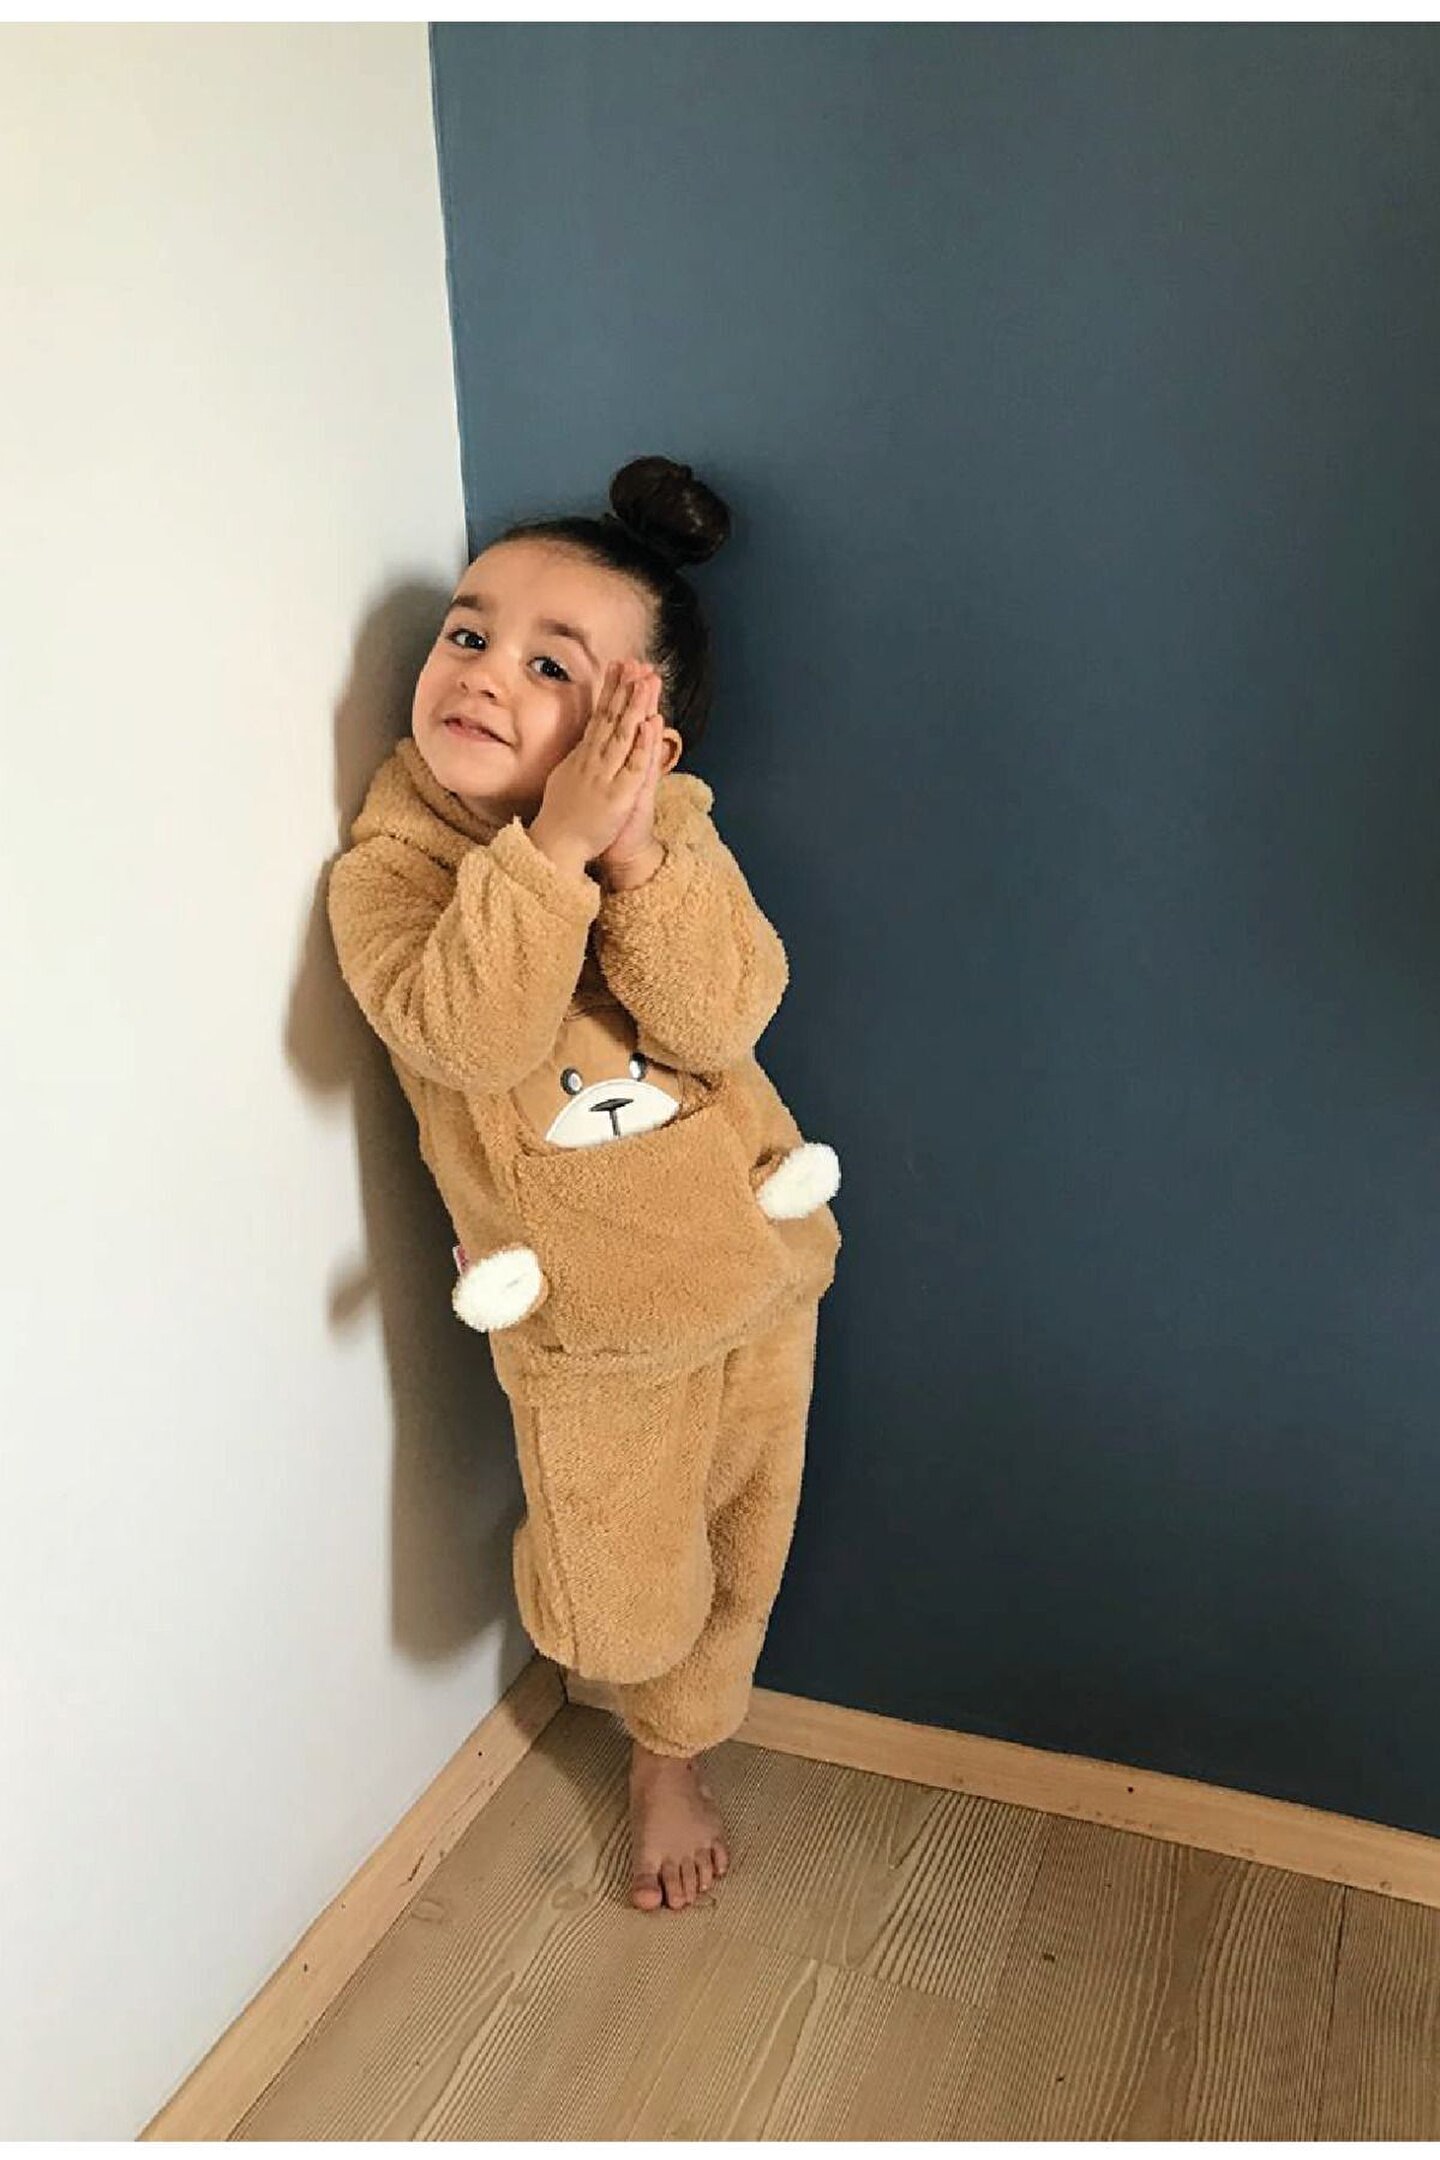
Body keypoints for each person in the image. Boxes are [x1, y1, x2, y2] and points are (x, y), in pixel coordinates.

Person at [327, 454, 842, 1914]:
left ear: (638, 733)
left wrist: (630, 854)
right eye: (469, 632)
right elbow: (467, 1036)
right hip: (592, 1327)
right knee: (619, 1599)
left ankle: (673, 1761)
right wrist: (548, 850)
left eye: (552, 664)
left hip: (757, 1260)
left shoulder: (673, 835)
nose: (485, 672)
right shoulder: (392, 875)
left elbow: (722, 1018)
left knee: (745, 1550)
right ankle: (633, 1715)